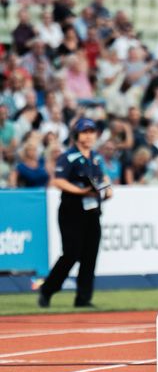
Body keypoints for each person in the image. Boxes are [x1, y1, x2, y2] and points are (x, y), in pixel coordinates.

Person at [38, 118, 112, 309]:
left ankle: (83, 298)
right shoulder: (68, 156)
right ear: (76, 135)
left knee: (90, 255)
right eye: (84, 132)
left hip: (92, 211)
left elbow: (102, 177)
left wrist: (107, 188)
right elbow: (58, 181)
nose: (89, 135)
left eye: (91, 131)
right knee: (71, 254)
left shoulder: (95, 157)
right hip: (72, 210)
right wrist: (81, 192)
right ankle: (47, 290)